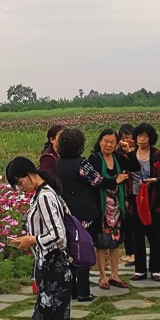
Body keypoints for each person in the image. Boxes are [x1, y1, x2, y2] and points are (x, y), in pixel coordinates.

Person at [6, 157, 72, 320]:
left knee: (52, 317)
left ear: (27, 174)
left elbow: (58, 235)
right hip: (47, 263)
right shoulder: (42, 193)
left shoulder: (45, 196)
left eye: (18, 182)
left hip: (55, 265)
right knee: (47, 315)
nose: (19, 188)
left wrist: (32, 240)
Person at [52, 128, 97, 302]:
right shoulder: (82, 163)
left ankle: (71, 290)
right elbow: (97, 180)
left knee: (70, 250)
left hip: (67, 212)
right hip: (84, 211)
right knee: (84, 250)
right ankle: (84, 291)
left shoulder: (58, 163)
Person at [86, 129, 128, 290]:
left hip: (116, 205)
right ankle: (103, 275)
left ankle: (115, 275)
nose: (109, 144)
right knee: (101, 243)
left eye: (112, 142)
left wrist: (128, 150)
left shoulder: (117, 157)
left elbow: (134, 166)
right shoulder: (94, 158)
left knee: (115, 242)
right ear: (100, 141)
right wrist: (115, 180)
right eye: (106, 141)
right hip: (101, 205)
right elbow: (96, 181)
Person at [124, 123, 160, 281]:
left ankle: (155, 270)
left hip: (153, 199)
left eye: (146, 136)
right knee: (137, 235)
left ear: (151, 138)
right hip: (134, 198)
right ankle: (140, 270)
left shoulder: (156, 154)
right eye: (140, 135)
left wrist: (155, 179)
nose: (142, 138)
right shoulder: (130, 154)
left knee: (154, 235)